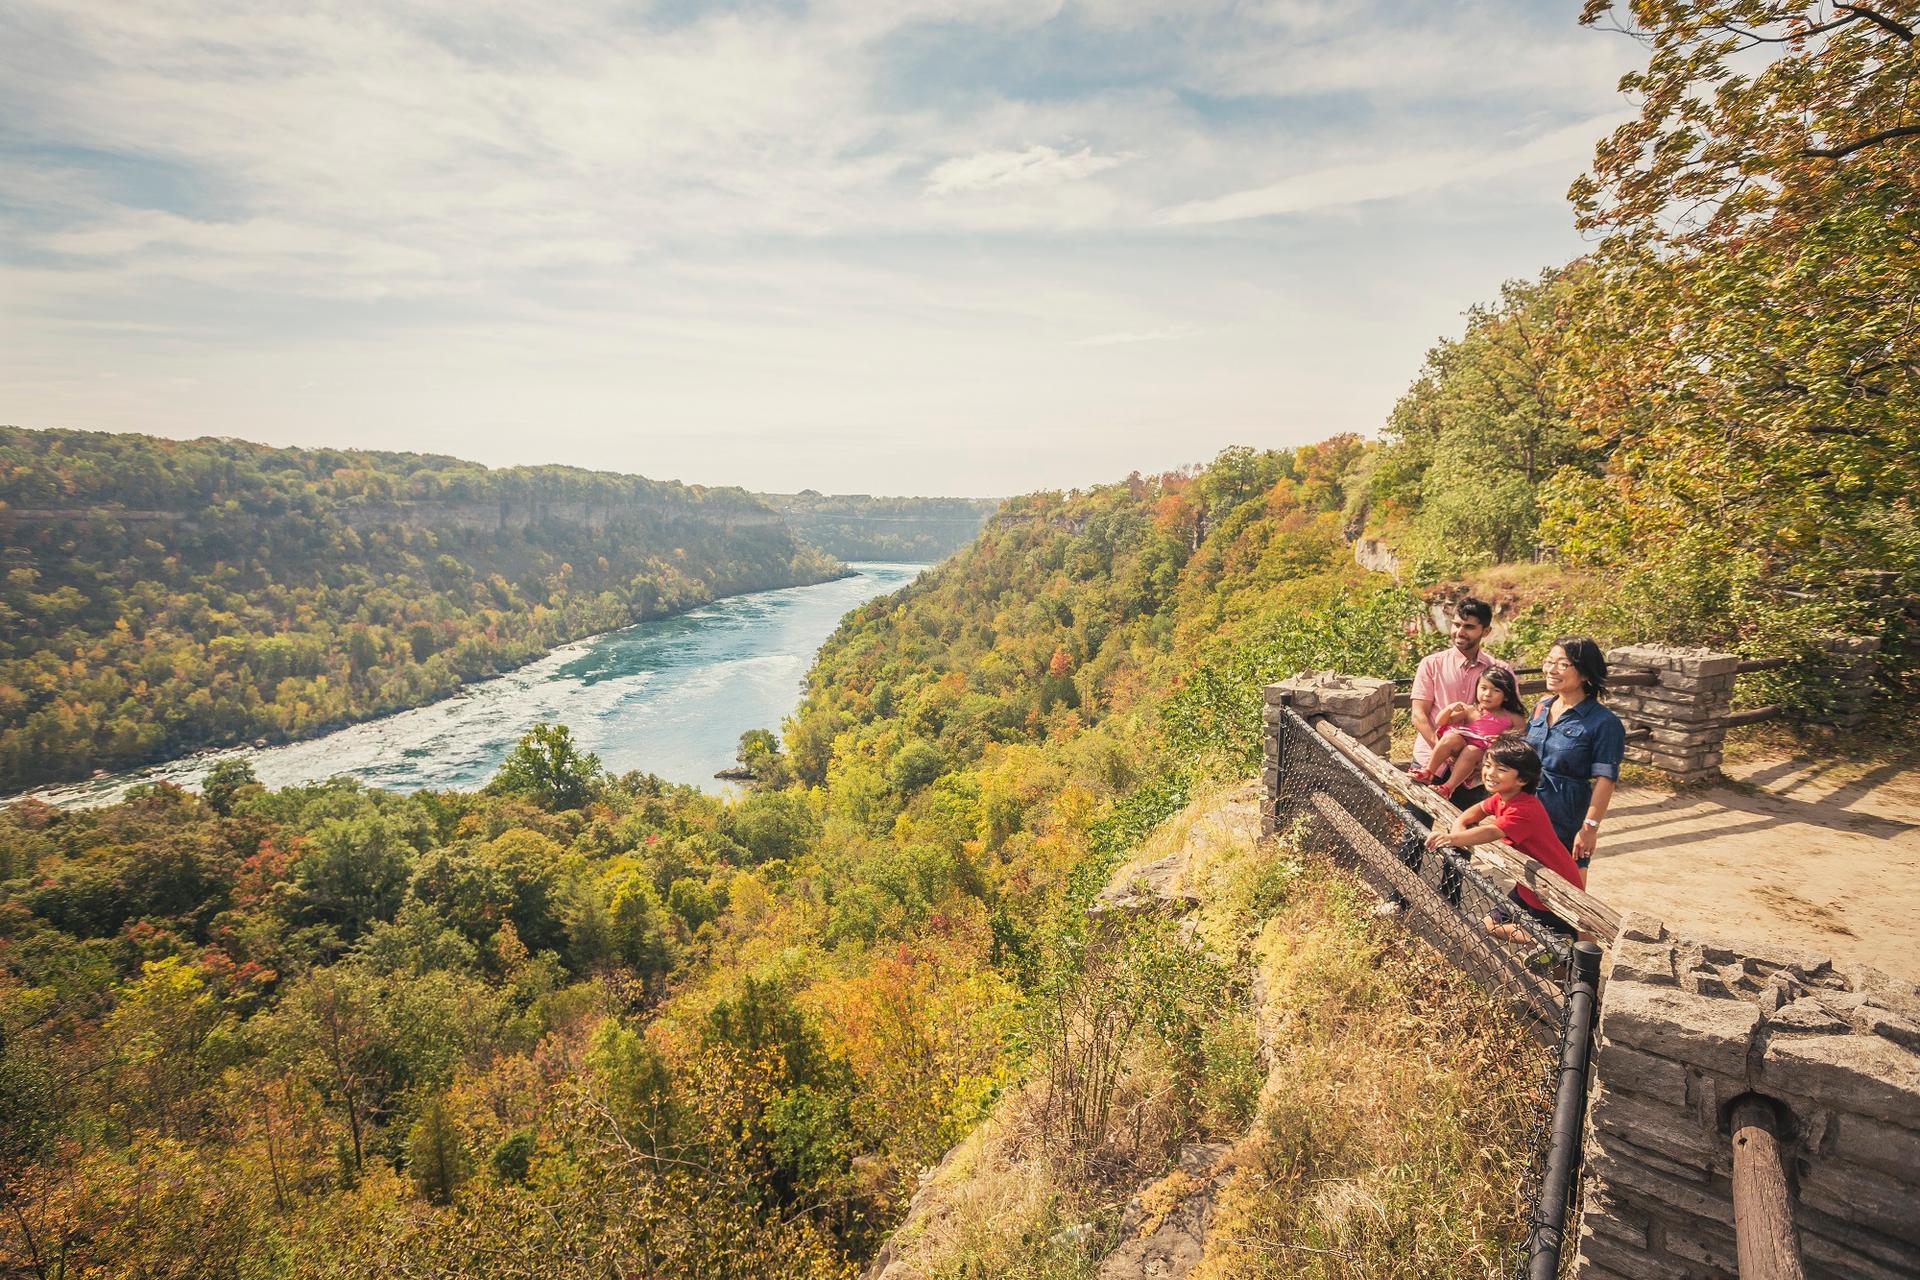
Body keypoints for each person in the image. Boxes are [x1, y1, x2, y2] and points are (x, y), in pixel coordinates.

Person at [1425, 734, 1584, 942]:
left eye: (1501, 769)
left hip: (1552, 889)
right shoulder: (1503, 797)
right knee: (1491, 924)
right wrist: (1459, 827)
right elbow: (1478, 810)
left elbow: (1491, 832)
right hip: (1528, 885)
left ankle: (1552, 945)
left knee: (1558, 970)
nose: (1490, 773)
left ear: (1523, 779)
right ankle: (1544, 942)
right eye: (1488, 765)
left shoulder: (1524, 809)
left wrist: (1452, 839)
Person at [1526, 637, 1625, 867]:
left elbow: (1606, 780)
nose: (1551, 669)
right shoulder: (1541, 707)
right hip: (1527, 811)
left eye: (1562, 664)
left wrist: (1589, 828)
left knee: (1565, 886)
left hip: (1565, 818)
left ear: (1585, 673)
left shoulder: (1604, 722)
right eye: (1549, 661)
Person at [1408, 597, 1514, 780]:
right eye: (1456, 624)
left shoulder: (1500, 671)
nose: (1459, 632)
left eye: (1469, 627)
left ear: (1486, 631)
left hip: (1476, 768)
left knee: (1465, 810)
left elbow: (1511, 718)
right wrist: (1442, 749)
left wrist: (1491, 754)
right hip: (1429, 761)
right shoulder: (1432, 664)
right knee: (1413, 810)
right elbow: (1418, 714)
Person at [1409, 666, 1528, 799]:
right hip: (1462, 746)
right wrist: (1449, 709)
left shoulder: (1512, 717)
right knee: (1450, 737)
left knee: (1472, 750)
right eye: (1483, 688)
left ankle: (1448, 787)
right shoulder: (1471, 710)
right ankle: (1428, 771)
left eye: (1496, 690)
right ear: (1476, 688)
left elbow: (1522, 738)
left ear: (1506, 696)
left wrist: (1503, 740)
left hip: (1483, 753)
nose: (1488, 694)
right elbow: (1441, 722)